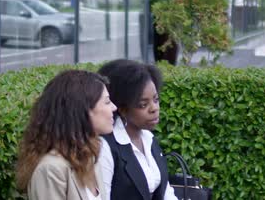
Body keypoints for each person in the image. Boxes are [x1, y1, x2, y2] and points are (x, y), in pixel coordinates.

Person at [16, 70, 117, 200]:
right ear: (83, 110)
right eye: (107, 102)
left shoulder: (89, 155)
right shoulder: (51, 169)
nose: (114, 107)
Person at [98, 59, 178, 200]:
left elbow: (166, 192)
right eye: (143, 105)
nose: (154, 108)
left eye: (156, 99)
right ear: (122, 109)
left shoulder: (149, 139)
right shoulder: (106, 147)